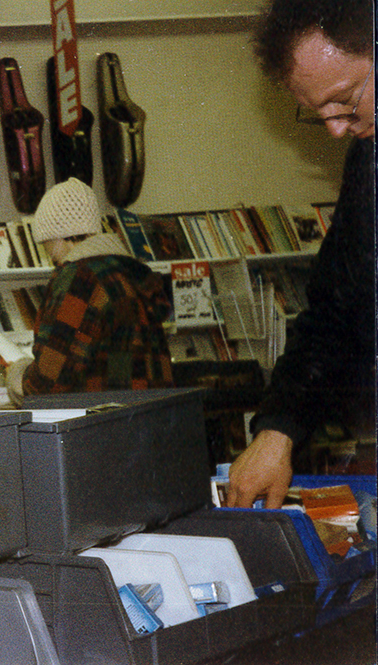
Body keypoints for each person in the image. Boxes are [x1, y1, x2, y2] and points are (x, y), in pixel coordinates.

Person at [227, 0, 375, 509]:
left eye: (344, 99)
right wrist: (278, 429)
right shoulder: (369, 160)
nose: (335, 128)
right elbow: (334, 310)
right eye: (319, 112)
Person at [6, 177, 174, 401]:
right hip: (149, 413)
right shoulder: (129, 272)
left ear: (61, 238)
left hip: (107, 418)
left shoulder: (81, 280)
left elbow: (47, 382)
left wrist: (17, 375)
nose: (52, 258)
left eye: (47, 246)